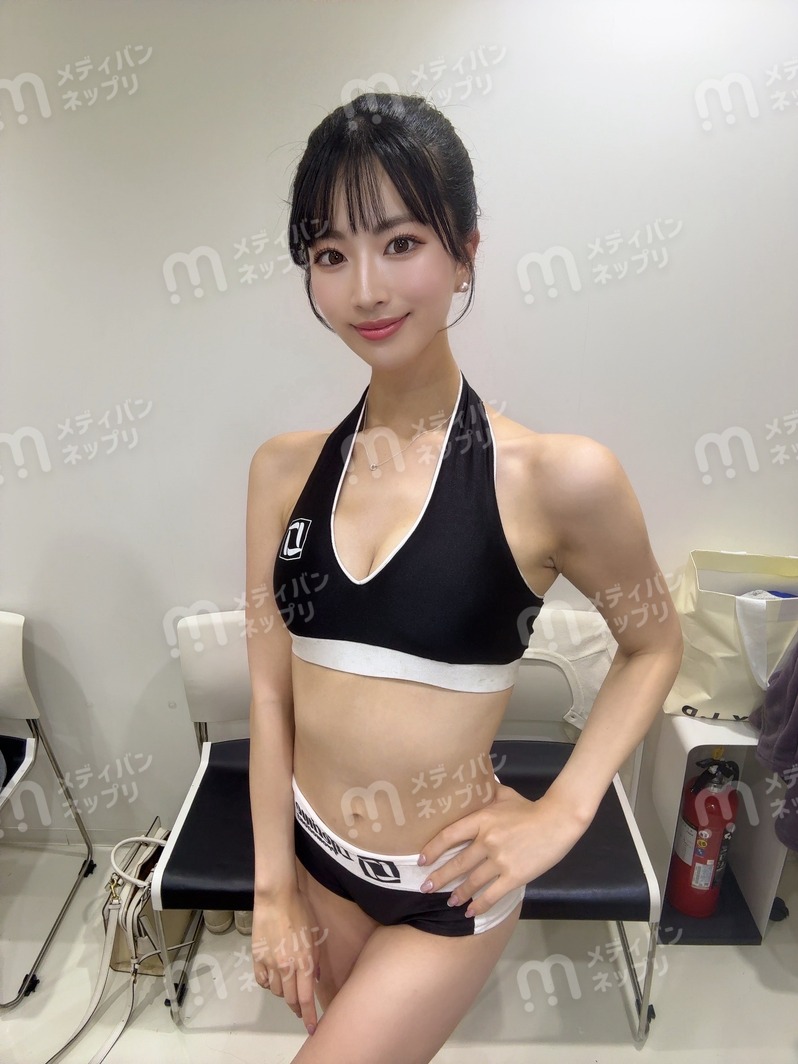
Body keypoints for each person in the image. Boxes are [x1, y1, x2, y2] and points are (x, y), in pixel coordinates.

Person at [245, 92, 683, 1064]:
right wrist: (272, 887)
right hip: (313, 861)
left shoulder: (559, 477)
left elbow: (656, 644)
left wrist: (564, 809)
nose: (366, 288)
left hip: (444, 886)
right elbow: (270, 691)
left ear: (465, 251)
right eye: (330, 255)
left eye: (400, 242)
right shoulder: (281, 472)